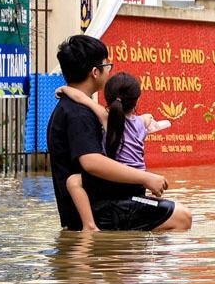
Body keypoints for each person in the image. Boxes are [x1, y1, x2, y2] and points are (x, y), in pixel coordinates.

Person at [45, 35, 190, 233]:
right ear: (95, 72)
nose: (109, 70)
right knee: (181, 217)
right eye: (107, 65)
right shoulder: (78, 113)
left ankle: (129, 259)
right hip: (100, 209)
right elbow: (92, 161)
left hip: (99, 204)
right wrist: (145, 177)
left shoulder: (75, 106)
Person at [58, 71, 171, 229]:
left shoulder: (105, 118)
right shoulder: (143, 122)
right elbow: (160, 123)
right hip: (139, 179)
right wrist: (150, 119)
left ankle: (89, 226)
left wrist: (65, 89)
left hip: (117, 181)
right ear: (137, 100)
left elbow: (82, 99)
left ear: (107, 98)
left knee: (73, 182)